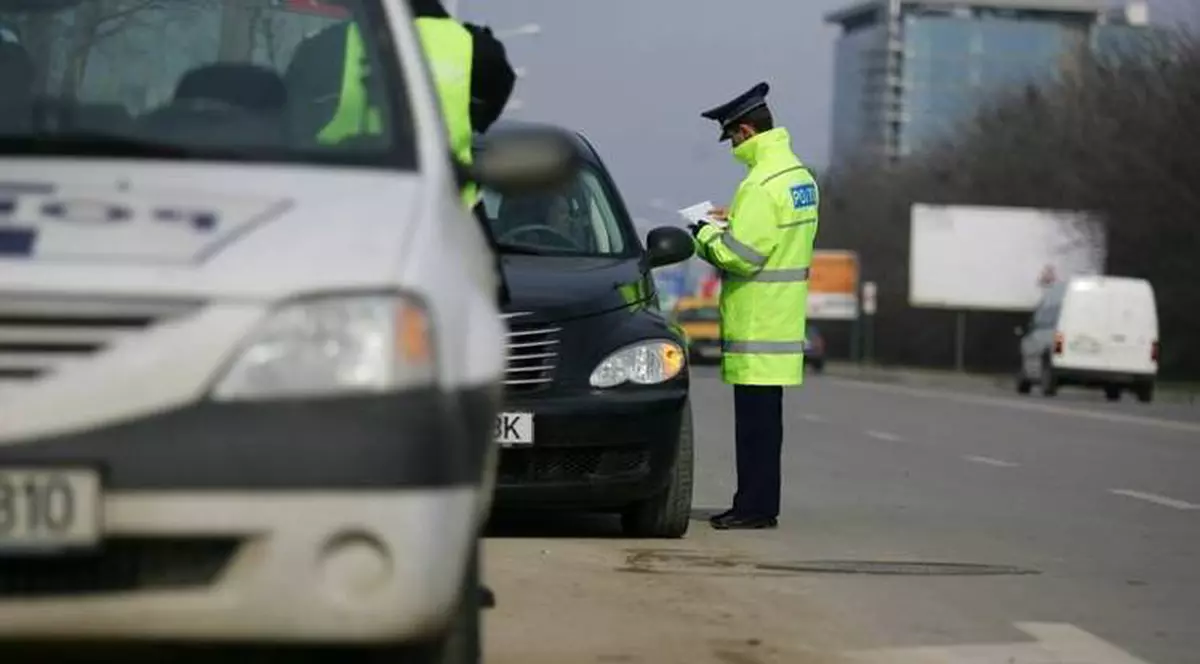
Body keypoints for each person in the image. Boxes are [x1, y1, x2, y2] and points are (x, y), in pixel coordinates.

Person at [689, 81, 820, 531]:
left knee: (754, 428)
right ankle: (760, 502)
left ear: (746, 130)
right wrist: (735, 220)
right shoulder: (797, 177)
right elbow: (777, 238)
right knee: (766, 425)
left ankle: (754, 508)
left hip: (756, 321)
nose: (732, 147)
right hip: (782, 318)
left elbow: (740, 257)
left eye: (733, 138)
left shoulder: (759, 185)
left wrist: (703, 235)